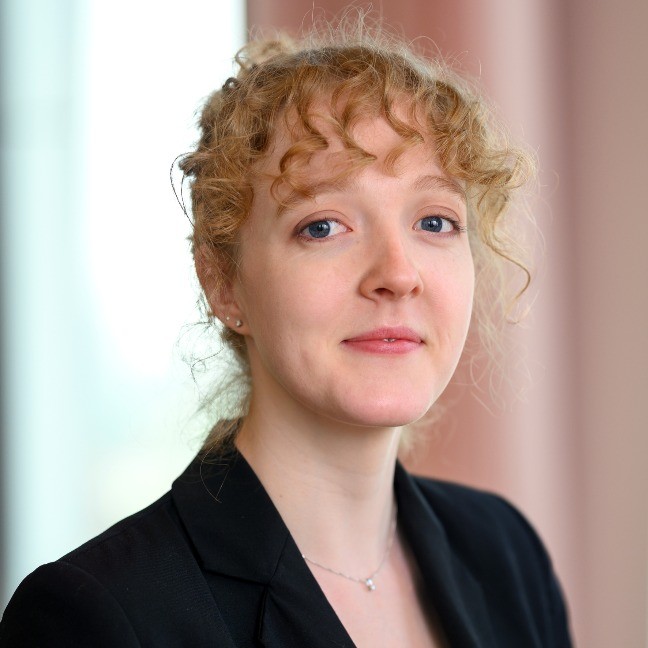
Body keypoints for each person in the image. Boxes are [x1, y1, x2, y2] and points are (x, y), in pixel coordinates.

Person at [0, 19, 573, 648]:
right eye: (323, 226)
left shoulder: (506, 555)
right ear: (224, 283)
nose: (397, 273)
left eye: (434, 221)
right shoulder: (95, 615)